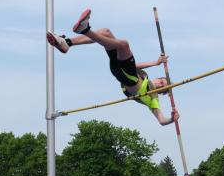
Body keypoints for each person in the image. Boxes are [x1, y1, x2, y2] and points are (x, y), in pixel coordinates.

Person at [47, 8, 179, 126]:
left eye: (163, 88)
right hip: (120, 69)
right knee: (106, 32)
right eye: (162, 82)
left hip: (129, 79)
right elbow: (134, 65)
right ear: (158, 78)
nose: (160, 85)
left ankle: (85, 30)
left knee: (124, 45)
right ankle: (67, 43)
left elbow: (161, 120)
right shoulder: (144, 75)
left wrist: (172, 119)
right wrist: (155, 63)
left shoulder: (153, 98)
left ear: (160, 93)